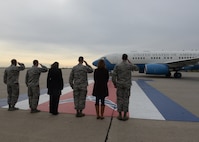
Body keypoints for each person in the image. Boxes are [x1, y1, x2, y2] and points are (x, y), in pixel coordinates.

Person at [112, 54, 137, 121]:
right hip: (127, 84)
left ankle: (120, 114)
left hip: (119, 84)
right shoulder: (129, 65)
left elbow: (113, 76)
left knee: (119, 99)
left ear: (122, 58)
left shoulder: (118, 65)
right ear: (127, 58)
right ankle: (125, 115)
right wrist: (130, 62)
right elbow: (136, 68)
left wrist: (115, 83)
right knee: (126, 99)